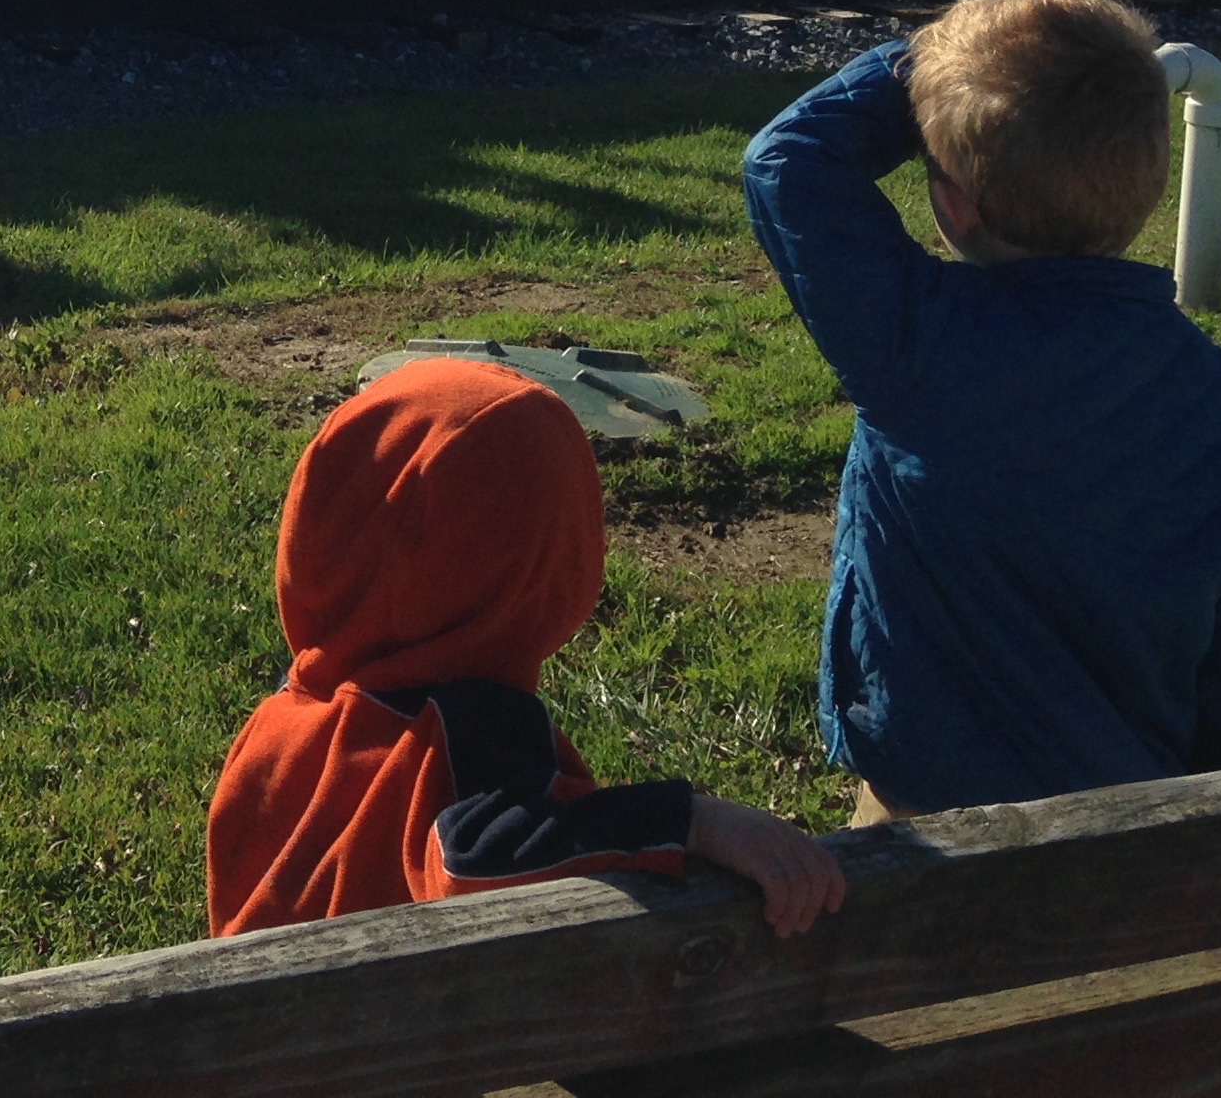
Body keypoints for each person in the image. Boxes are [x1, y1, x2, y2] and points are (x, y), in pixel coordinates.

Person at [744, 0, 1221, 822]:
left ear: (955, 207)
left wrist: (927, 67)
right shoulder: (1210, 386)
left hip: (927, 810)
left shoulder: (920, 350)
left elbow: (790, 160)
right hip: (1135, 822)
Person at [207, 359, 847, 938]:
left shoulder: (278, 725)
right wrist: (690, 821)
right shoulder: (463, 730)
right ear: (540, 572)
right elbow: (477, 855)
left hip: (265, 1047)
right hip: (413, 1057)